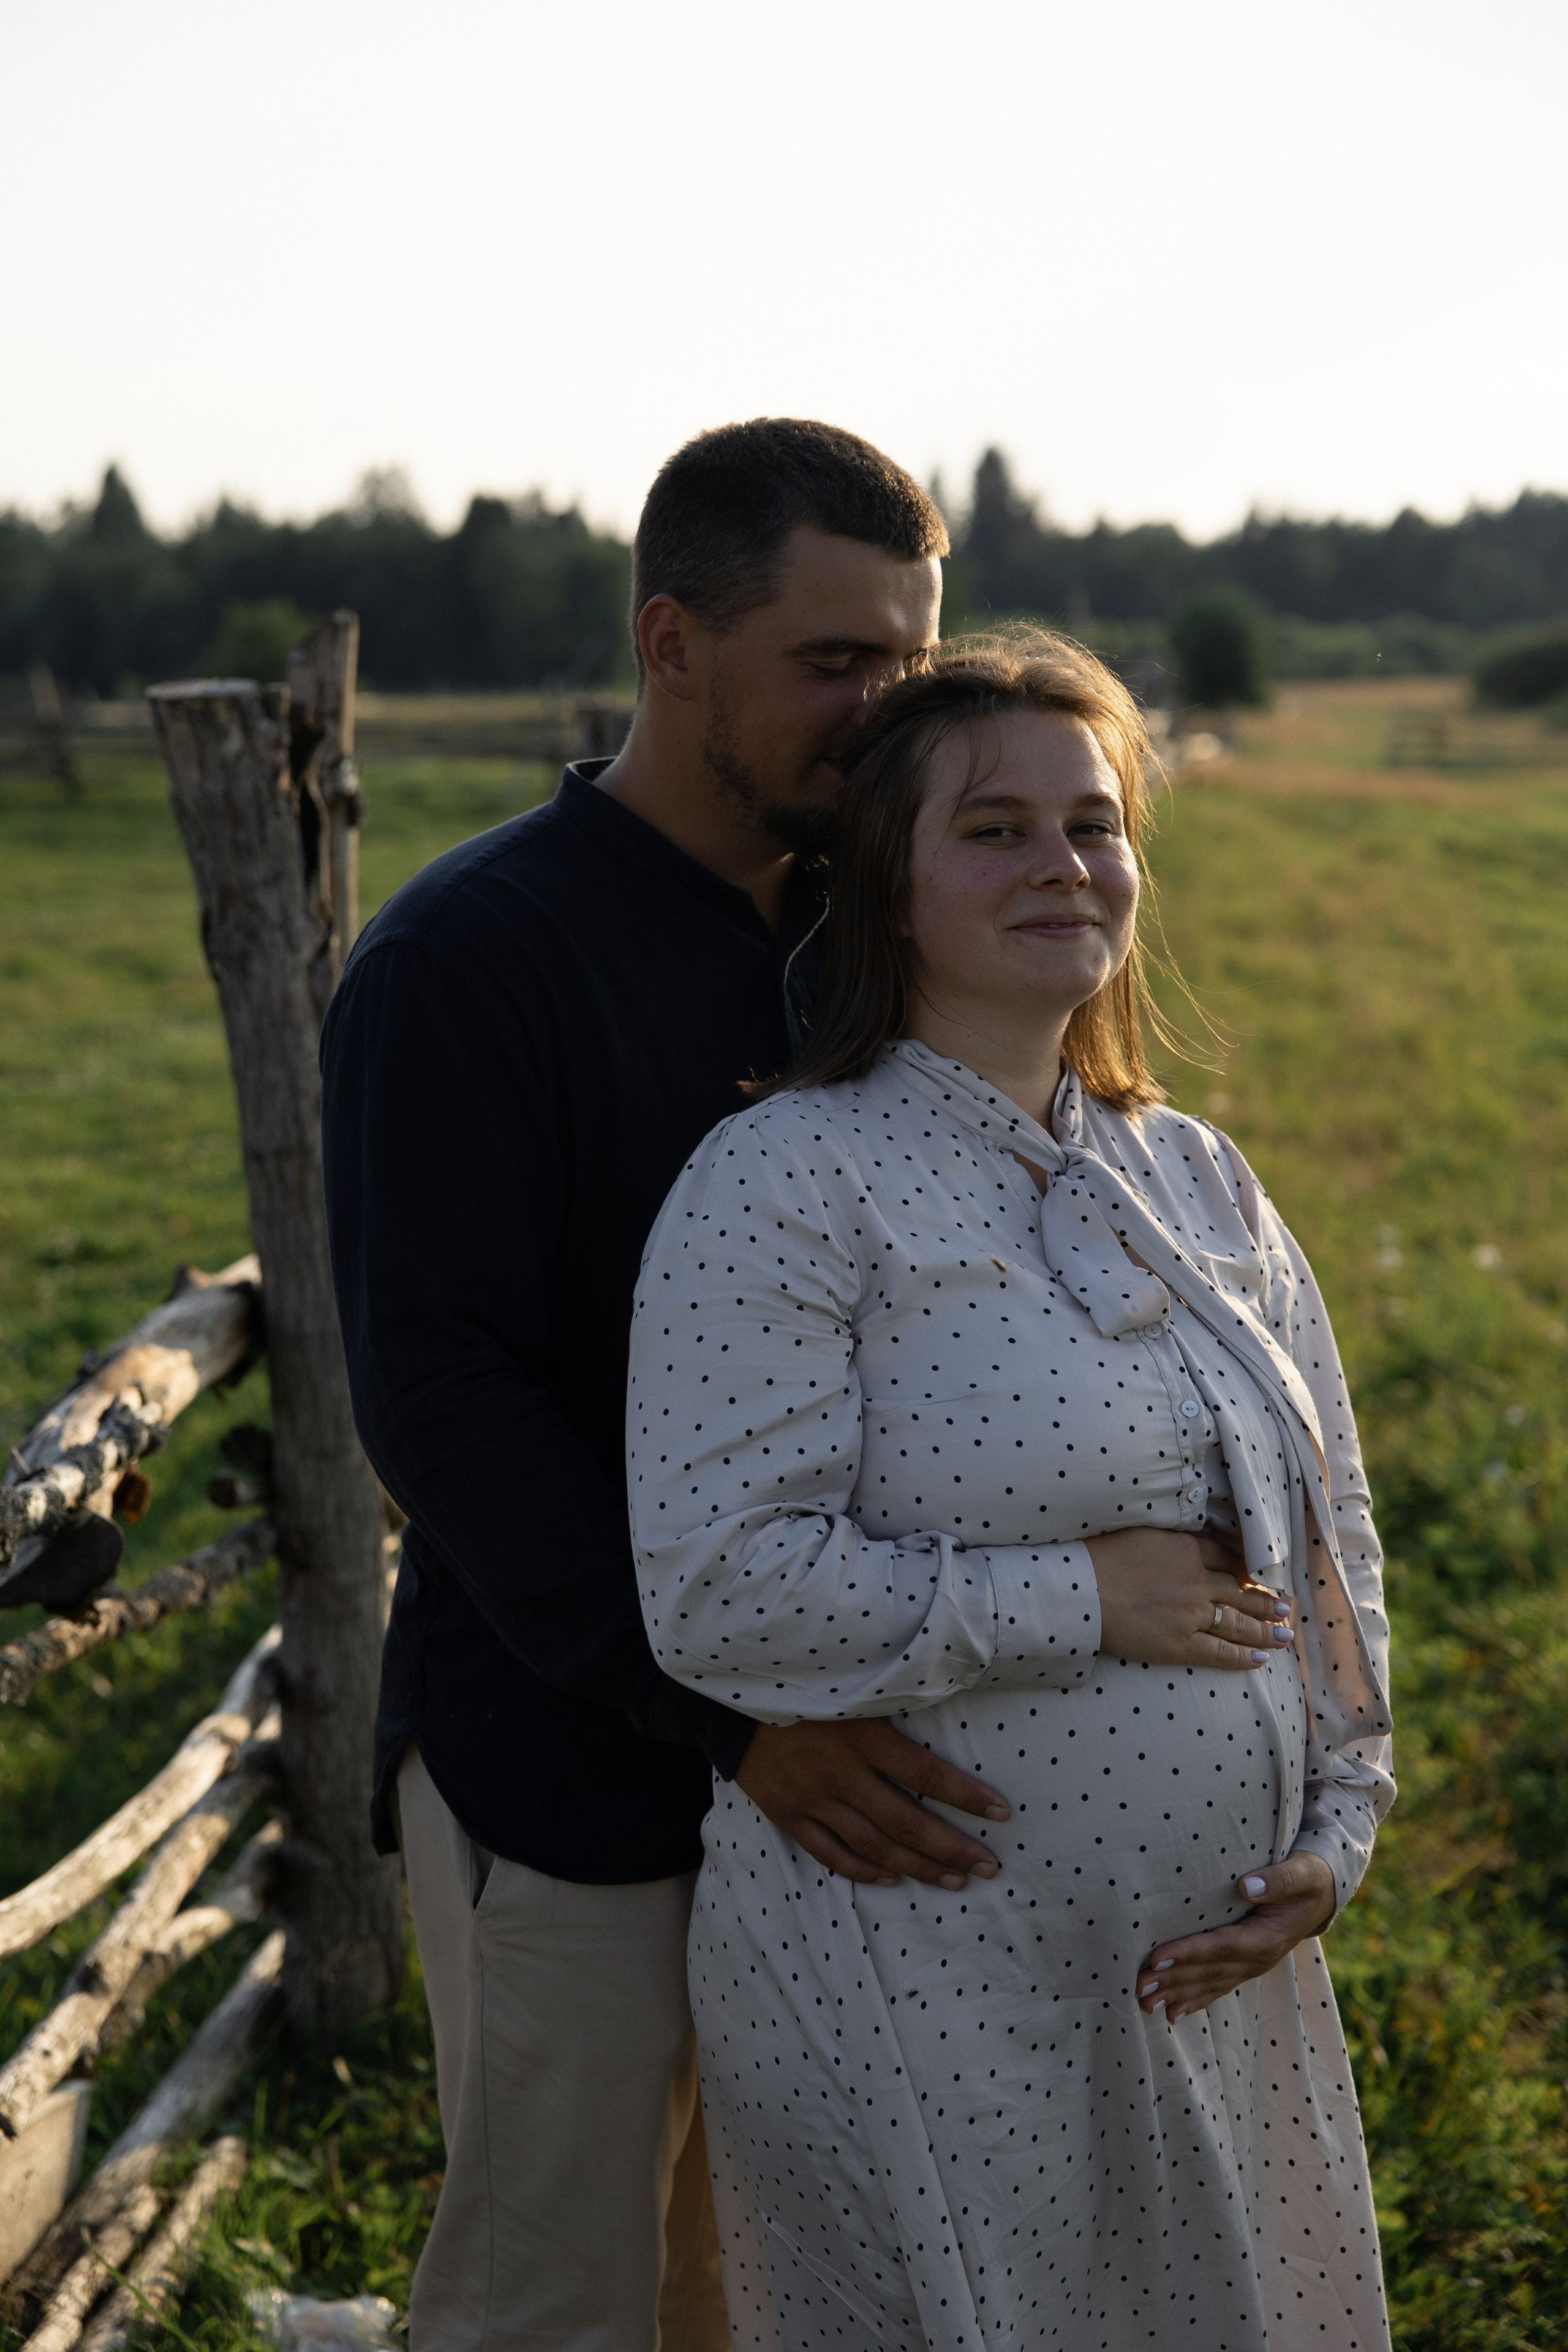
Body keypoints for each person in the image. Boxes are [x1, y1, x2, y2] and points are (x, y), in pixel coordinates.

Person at [320, 421, 1022, 2352]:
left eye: (913, 660)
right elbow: (443, 1406)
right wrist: (730, 1720)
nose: (886, 712)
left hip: (857, 1778)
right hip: (575, 1770)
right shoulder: (471, 963)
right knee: (565, 2302)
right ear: (671, 644)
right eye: (834, 661)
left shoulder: (876, 945)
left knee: (770, 2300)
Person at [628, 630, 1395, 2350]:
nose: (1062, 860)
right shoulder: (786, 1180)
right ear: (890, 888)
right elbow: (717, 1587)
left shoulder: (1194, 1171)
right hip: (920, 1981)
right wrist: (1084, 1598)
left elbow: (1328, 1526)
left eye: (1095, 823)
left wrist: (1340, 1827)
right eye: (994, 829)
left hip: (1217, 1987)